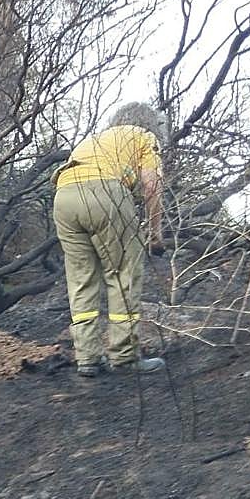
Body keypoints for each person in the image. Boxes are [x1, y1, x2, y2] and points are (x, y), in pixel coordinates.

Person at [53, 103, 166, 377]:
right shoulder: (144, 137)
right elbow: (151, 186)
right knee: (122, 274)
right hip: (105, 192)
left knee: (81, 281)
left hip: (63, 196)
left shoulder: (93, 141)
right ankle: (124, 356)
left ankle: (88, 358)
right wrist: (155, 233)